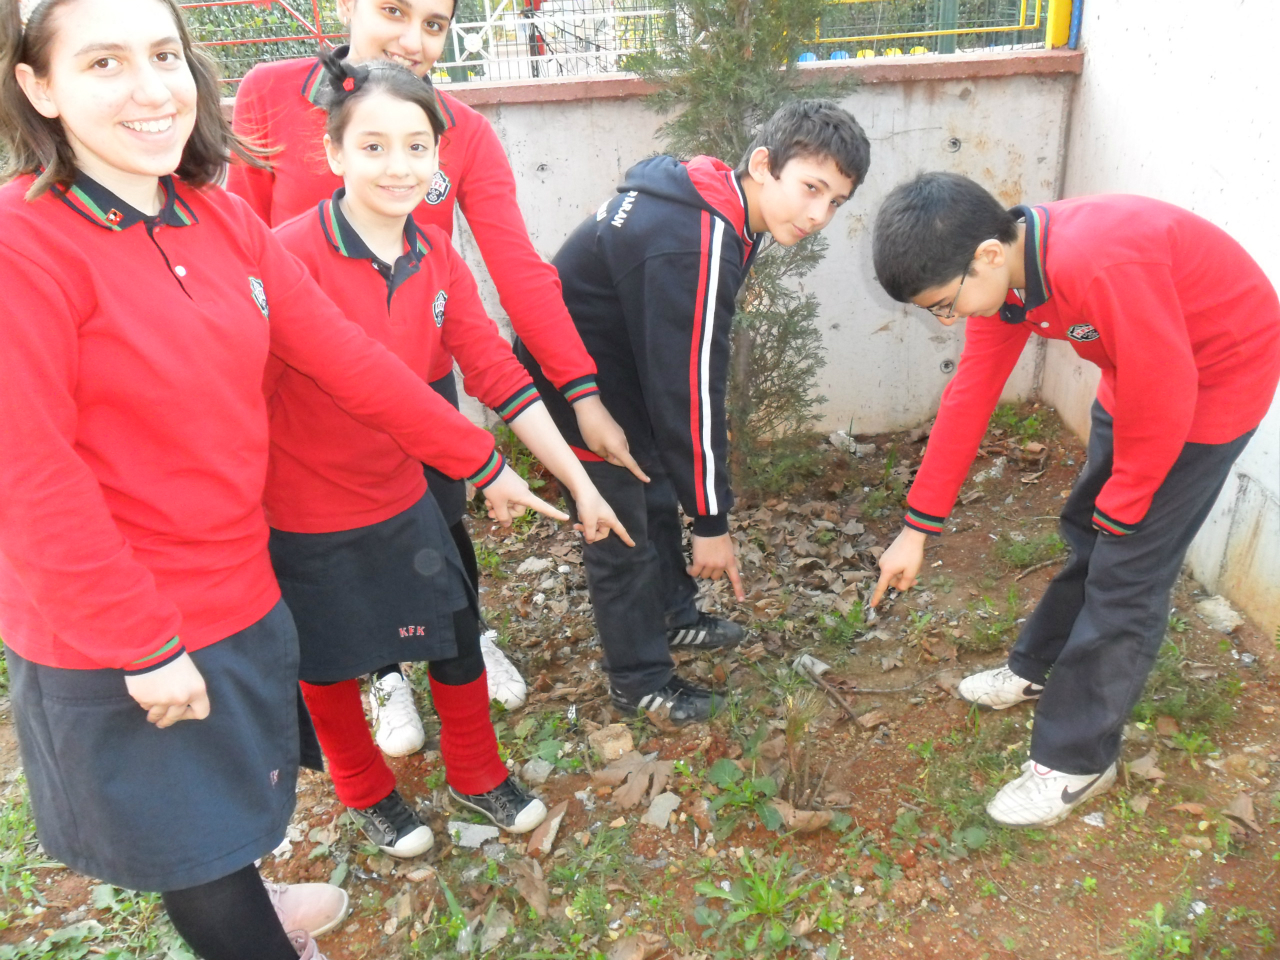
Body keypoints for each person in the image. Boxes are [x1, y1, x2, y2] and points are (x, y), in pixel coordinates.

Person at [0, 0, 565, 956]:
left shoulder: (218, 218)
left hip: (239, 577)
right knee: (189, 844)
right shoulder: (26, 244)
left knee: (236, 789)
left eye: (164, 55)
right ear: (38, 87)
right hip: (123, 617)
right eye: (103, 63)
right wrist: (139, 642)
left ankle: (252, 899)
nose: (149, 87)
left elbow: (350, 359)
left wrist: (476, 459)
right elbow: (29, 471)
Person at [227, 0, 646, 732]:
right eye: (394, 10)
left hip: (421, 376)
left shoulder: (460, 138)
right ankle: (383, 671)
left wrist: (581, 393)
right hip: (305, 395)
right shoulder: (269, 96)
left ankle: (461, 642)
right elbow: (241, 244)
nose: (415, 39)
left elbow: (513, 276)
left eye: (435, 22)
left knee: (440, 535)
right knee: (331, 555)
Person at [870, 172, 1280, 828]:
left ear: (988, 256)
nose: (947, 319)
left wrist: (1132, 497)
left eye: (945, 303)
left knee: (1127, 572)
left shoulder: (1101, 264)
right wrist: (916, 529)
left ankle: (1078, 761)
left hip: (1214, 380)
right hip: (1141, 370)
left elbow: (1170, 386)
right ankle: (1038, 665)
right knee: (1088, 528)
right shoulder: (1008, 278)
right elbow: (970, 395)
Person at [519, 100, 871, 726]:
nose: (819, 215)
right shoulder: (699, 240)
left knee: (651, 485)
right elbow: (692, 389)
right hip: (570, 382)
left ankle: (672, 616)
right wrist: (711, 521)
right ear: (763, 165)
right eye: (811, 189)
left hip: (617, 366)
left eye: (836, 201)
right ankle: (639, 681)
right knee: (619, 525)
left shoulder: (715, 200)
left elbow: (675, 372)